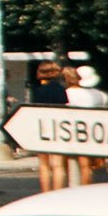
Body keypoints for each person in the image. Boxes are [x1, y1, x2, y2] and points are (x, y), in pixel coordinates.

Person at [63, 66, 108, 185]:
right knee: (90, 166)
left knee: (77, 165)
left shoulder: (68, 93)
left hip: (73, 132)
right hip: (96, 132)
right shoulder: (101, 95)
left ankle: (80, 190)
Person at [31, 61, 67, 191]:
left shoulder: (38, 91)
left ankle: (45, 193)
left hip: (42, 128)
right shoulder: (61, 89)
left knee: (44, 164)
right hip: (59, 127)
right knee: (58, 165)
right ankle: (57, 192)